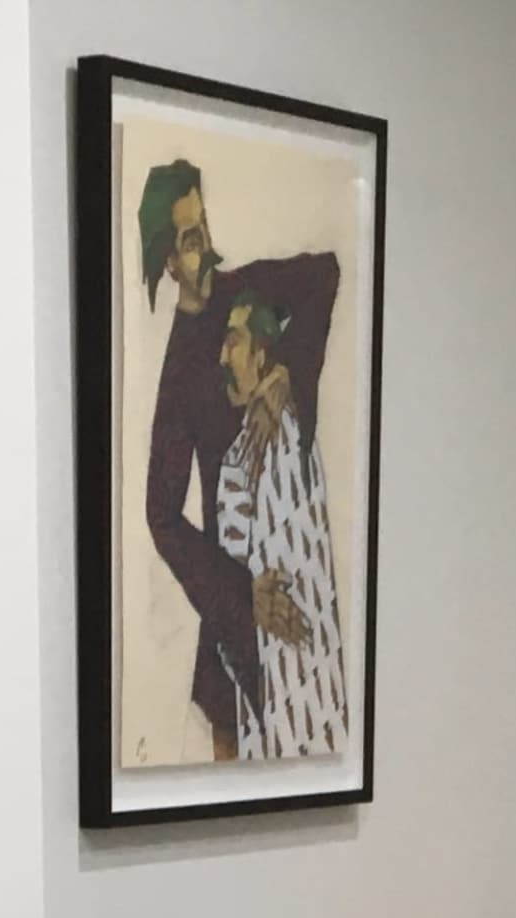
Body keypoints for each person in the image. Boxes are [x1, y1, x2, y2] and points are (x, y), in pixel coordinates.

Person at [133, 159, 338, 760]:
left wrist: (285, 372)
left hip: (297, 554)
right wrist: (240, 594)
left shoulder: (241, 295)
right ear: (169, 261)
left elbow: (324, 274)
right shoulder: (178, 375)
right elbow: (160, 515)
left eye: (206, 228)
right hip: (239, 597)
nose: (210, 249)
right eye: (193, 241)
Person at [209, 292, 347, 759]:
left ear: (261, 354)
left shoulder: (277, 438)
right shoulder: (250, 446)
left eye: (233, 342)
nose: (223, 356)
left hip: (297, 692)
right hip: (285, 697)